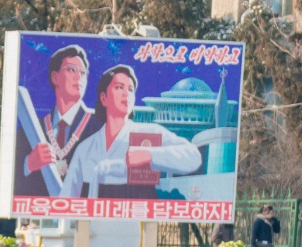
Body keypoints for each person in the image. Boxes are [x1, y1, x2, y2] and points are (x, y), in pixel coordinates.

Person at [59, 65, 201, 200]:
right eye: (119, 87)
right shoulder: (85, 149)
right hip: (93, 223)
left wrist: (150, 155)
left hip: (137, 220)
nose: (126, 94)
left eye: (131, 89)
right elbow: (67, 198)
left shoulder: (149, 133)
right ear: (104, 98)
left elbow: (193, 157)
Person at [18, 45, 95, 195]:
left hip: (84, 214)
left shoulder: (98, 128)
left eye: (83, 72)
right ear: (55, 77)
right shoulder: (31, 130)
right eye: (72, 69)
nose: (78, 77)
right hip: (42, 214)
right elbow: (13, 179)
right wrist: (28, 164)